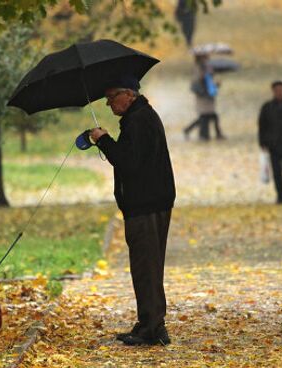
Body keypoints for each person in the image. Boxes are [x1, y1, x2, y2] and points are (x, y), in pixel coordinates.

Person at [89, 75, 176, 346]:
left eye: (112, 97)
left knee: (145, 266)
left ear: (129, 94)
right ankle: (150, 322)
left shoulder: (139, 120)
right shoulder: (139, 118)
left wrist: (103, 140)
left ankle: (152, 327)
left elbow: (129, 162)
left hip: (146, 204)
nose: (109, 104)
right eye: (107, 99)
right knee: (147, 266)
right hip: (149, 202)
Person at [183, 52, 224, 140]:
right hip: (202, 97)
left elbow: (209, 82)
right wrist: (204, 74)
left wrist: (216, 85)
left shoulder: (207, 67)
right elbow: (197, 81)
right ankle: (205, 135)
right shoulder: (198, 67)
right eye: (205, 56)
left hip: (208, 96)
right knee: (206, 117)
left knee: (209, 116)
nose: (207, 58)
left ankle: (190, 130)